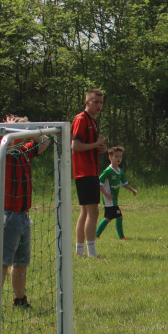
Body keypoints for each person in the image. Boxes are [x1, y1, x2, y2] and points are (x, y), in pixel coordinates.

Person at [0, 116, 49, 310]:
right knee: (3, 260)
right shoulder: (4, 149)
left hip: (22, 214)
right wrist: (11, 132)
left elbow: (46, 141)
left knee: (21, 261)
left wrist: (31, 130)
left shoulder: (25, 151)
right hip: (6, 214)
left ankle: (20, 299)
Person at [72, 89, 107, 258]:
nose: (99, 105)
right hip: (84, 172)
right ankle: (92, 253)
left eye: (101, 102)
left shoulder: (92, 121)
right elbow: (76, 146)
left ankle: (79, 251)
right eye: (95, 102)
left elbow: (90, 145)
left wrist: (100, 147)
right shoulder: (81, 120)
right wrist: (95, 144)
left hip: (90, 171)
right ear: (87, 102)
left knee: (85, 212)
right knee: (93, 213)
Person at [95, 146, 137, 240]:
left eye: (120, 157)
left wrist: (132, 190)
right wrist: (106, 194)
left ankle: (97, 234)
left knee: (108, 218)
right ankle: (122, 237)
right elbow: (99, 183)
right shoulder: (108, 171)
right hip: (109, 199)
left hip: (113, 199)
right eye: (116, 156)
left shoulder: (120, 171)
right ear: (110, 157)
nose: (119, 159)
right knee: (119, 216)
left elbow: (124, 183)